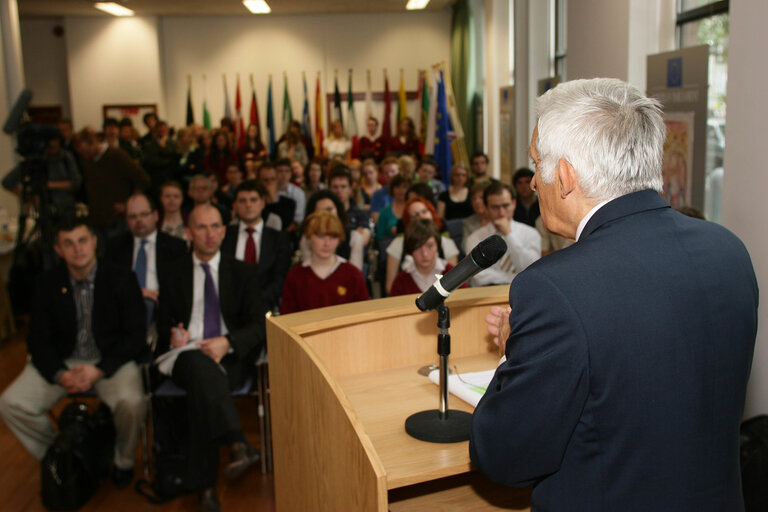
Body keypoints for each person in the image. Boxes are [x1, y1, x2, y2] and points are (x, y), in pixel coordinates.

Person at [470, 78, 759, 511]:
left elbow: (505, 457)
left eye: (535, 164)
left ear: (565, 176)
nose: (532, 183)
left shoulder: (554, 288)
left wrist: (514, 349)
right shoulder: (728, 250)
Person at [0, 217, 147, 489]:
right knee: (11, 403)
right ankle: (62, 456)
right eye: (68, 244)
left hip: (109, 360)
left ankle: (123, 461)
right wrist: (59, 373)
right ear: (58, 250)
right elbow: (37, 340)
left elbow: (135, 336)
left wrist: (100, 369)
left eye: (82, 241)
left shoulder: (121, 278)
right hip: (63, 361)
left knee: (132, 403)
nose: (77, 249)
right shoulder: (46, 283)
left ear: (94, 243)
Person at [156, 204, 265, 512]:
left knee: (202, 393)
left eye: (215, 226)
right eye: (201, 228)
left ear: (224, 230)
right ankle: (237, 442)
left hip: (228, 357)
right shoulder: (174, 272)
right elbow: (164, 323)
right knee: (199, 368)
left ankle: (205, 488)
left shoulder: (242, 272)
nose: (209, 234)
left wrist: (227, 342)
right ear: (189, 232)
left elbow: (260, 324)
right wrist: (173, 334)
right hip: (184, 355)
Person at [106, 193, 188, 330]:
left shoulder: (176, 247)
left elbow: (181, 285)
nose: (138, 220)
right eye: (132, 216)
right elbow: (111, 283)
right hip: (125, 305)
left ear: (155, 215)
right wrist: (138, 292)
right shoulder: (116, 247)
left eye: (144, 214)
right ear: (126, 220)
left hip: (164, 306)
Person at [221, 180, 292, 313]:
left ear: (262, 203)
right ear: (235, 205)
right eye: (242, 201)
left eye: (253, 200)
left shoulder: (279, 239)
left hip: (265, 308)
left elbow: (280, 279)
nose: (248, 205)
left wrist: (256, 303)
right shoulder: (224, 236)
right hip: (228, 308)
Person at [280, 211, 369, 314]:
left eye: (333, 237)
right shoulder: (295, 276)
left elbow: (363, 315)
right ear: (309, 237)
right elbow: (287, 318)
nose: (327, 243)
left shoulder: (352, 274)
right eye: (321, 236)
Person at [74, 127, 150, 242]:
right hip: (97, 217)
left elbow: (142, 179)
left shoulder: (116, 155)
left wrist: (128, 204)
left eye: (87, 151)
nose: (86, 156)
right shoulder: (87, 160)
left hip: (116, 219)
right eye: (82, 153)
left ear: (94, 142)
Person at [465, 181, 540, 286]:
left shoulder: (530, 233)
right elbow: (479, 277)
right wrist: (516, 278)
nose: (501, 213)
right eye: (495, 207)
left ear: (514, 204)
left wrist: (509, 235)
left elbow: (532, 269)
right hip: (486, 295)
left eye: (506, 206)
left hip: (524, 293)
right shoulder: (474, 238)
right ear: (486, 208)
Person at [384, 197, 459, 294]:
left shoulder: (448, 259)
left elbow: (457, 287)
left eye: (424, 212)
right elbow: (391, 289)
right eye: (415, 215)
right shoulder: (401, 280)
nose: (424, 253)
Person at [3, 133, 82, 219]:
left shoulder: (66, 158)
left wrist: (49, 184)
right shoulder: (35, 160)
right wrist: (28, 197)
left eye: (55, 141)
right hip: (44, 212)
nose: (52, 144)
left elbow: (76, 183)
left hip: (67, 210)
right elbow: (7, 182)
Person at [389, 219, 466, 297]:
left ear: (438, 246)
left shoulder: (454, 274)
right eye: (417, 247)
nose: (424, 254)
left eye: (430, 246)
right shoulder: (400, 282)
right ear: (410, 249)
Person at [258, 163, 296, 232]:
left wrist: (273, 197)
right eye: (265, 180)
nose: (269, 183)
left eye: (273, 179)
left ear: (277, 179)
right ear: (259, 181)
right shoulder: (255, 203)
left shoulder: (289, 203)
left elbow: (284, 226)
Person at [374, 173, 410, 241]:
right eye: (397, 187)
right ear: (392, 189)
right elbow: (380, 237)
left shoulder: (414, 209)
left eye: (405, 187)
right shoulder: (384, 212)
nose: (401, 190)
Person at [370, 157, 401, 223]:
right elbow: (376, 219)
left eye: (392, 171)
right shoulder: (377, 194)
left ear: (399, 172)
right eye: (386, 173)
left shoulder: (406, 192)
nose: (389, 175)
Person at [462, 181, 491, 253]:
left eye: (481, 197)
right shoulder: (468, 222)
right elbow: (465, 247)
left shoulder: (498, 219)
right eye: (474, 199)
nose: (477, 201)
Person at [275, 158, 306, 224]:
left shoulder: (298, 193)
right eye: (280, 171)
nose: (283, 174)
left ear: (291, 173)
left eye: (287, 171)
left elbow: (298, 219)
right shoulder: (269, 190)